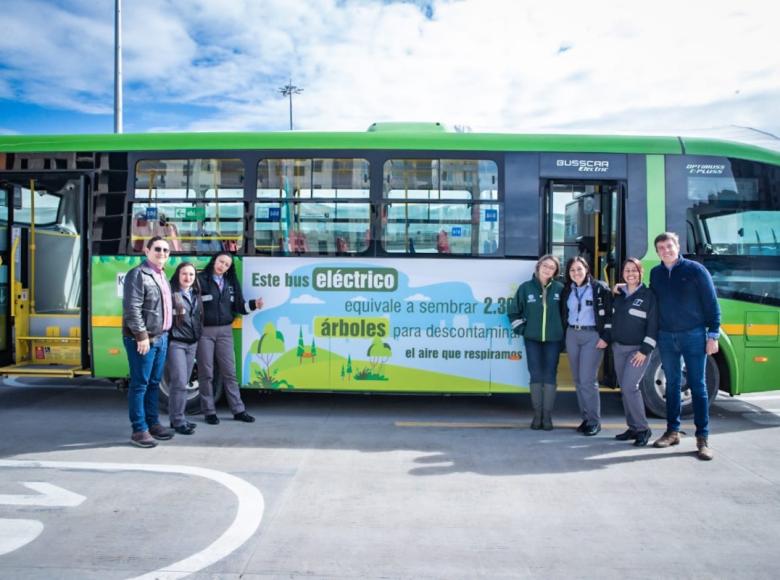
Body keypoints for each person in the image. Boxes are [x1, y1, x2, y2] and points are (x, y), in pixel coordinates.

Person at [650, 232, 720, 460]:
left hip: (694, 334)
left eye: (669, 246)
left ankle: (703, 439)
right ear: (657, 251)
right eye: (661, 248)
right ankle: (672, 432)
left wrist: (713, 334)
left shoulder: (695, 270)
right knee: (672, 386)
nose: (666, 250)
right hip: (667, 336)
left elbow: (711, 302)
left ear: (677, 246)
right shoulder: (656, 273)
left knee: (698, 387)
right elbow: (653, 301)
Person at [197, 252, 264, 425]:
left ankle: (238, 410)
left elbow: (239, 307)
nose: (222, 266)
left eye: (226, 264)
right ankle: (209, 411)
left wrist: (253, 305)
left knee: (230, 372)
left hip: (225, 332)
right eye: (220, 262)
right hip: (205, 332)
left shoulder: (230, 283)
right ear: (214, 261)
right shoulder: (200, 279)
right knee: (206, 373)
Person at [122, 236, 175, 448]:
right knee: (140, 384)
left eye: (165, 250)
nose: (162, 253)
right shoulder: (138, 274)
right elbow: (132, 309)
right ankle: (138, 429)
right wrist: (141, 336)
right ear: (147, 251)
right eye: (158, 249)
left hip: (161, 337)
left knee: (154, 383)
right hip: (145, 340)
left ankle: (153, 423)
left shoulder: (162, 275)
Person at [508, 255, 565, 430]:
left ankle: (547, 417)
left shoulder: (560, 289)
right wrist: (523, 330)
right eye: (545, 265)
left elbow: (567, 313)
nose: (548, 269)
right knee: (535, 375)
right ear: (538, 266)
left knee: (549, 375)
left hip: (553, 340)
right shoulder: (525, 288)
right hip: (532, 339)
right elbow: (513, 312)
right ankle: (537, 415)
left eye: (552, 267)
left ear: (555, 271)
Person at [561, 256, 612, 436]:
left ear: (586, 269)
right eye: (572, 270)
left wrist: (606, 336)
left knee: (588, 380)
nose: (576, 273)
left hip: (592, 336)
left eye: (579, 269)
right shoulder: (568, 289)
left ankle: (594, 421)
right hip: (572, 334)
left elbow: (609, 315)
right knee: (578, 380)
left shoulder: (599, 288)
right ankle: (586, 418)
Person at [609, 258, 658, 447]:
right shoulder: (619, 295)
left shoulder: (648, 296)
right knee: (624, 389)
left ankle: (643, 428)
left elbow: (653, 326)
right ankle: (633, 428)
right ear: (623, 274)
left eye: (634, 270)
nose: (630, 273)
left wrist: (645, 350)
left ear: (641, 273)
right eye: (627, 270)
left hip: (638, 351)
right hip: (619, 349)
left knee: (631, 387)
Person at [166, 262, 203, 435]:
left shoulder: (195, 294)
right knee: (179, 382)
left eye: (191, 275)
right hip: (177, 343)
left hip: (192, 343)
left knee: (184, 384)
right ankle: (178, 421)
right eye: (184, 274)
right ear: (178, 275)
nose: (187, 278)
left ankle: (178, 418)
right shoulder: (171, 294)